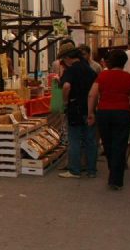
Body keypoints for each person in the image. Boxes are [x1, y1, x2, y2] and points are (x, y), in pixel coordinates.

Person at [87, 50, 130, 190]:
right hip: (122, 113)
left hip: (104, 112)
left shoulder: (102, 76)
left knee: (107, 143)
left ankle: (112, 170)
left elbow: (92, 95)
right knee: (120, 144)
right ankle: (116, 178)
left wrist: (91, 112)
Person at [58, 42, 98, 179]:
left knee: (74, 140)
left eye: (63, 59)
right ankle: (91, 169)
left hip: (75, 108)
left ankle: (75, 170)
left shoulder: (71, 70)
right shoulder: (89, 69)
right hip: (89, 107)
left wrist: (64, 101)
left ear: (68, 57)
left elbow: (66, 86)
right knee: (90, 140)